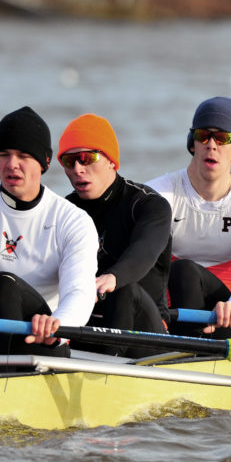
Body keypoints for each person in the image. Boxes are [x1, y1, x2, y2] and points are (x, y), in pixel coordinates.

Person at [0, 106, 98, 354]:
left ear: (44, 162)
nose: (12, 164)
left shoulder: (72, 221)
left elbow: (79, 291)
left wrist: (59, 325)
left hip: (39, 337)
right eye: (4, 154)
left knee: (3, 284)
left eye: (23, 156)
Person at [146, 96, 231, 336]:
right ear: (192, 143)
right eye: (203, 135)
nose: (211, 145)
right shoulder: (158, 194)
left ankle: (187, 353)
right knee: (183, 272)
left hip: (230, 316)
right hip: (168, 315)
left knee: (185, 270)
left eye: (222, 138)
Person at [57, 112, 172, 353]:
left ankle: (100, 378)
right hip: (85, 324)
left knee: (122, 290)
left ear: (111, 160)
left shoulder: (149, 205)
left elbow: (144, 252)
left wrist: (112, 277)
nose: (78, 169)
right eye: (69, 161)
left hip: (146, 333)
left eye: (87, 158)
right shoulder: (62, 211)